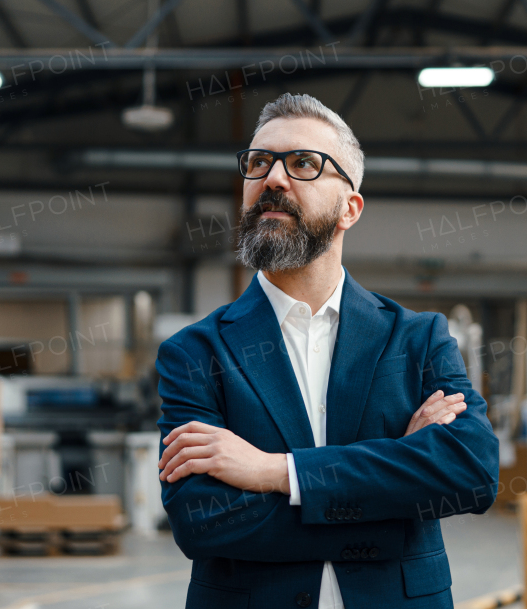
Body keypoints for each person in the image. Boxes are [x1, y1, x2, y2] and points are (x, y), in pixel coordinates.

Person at [155, 92, 499, 609]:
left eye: (302, 164)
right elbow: (202, 521)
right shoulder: (194, 352)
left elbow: (472, 472)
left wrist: (276, 473)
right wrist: (394, 504)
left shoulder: (419, 337)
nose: (271, 178)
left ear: (350, 208)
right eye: (257, 163)